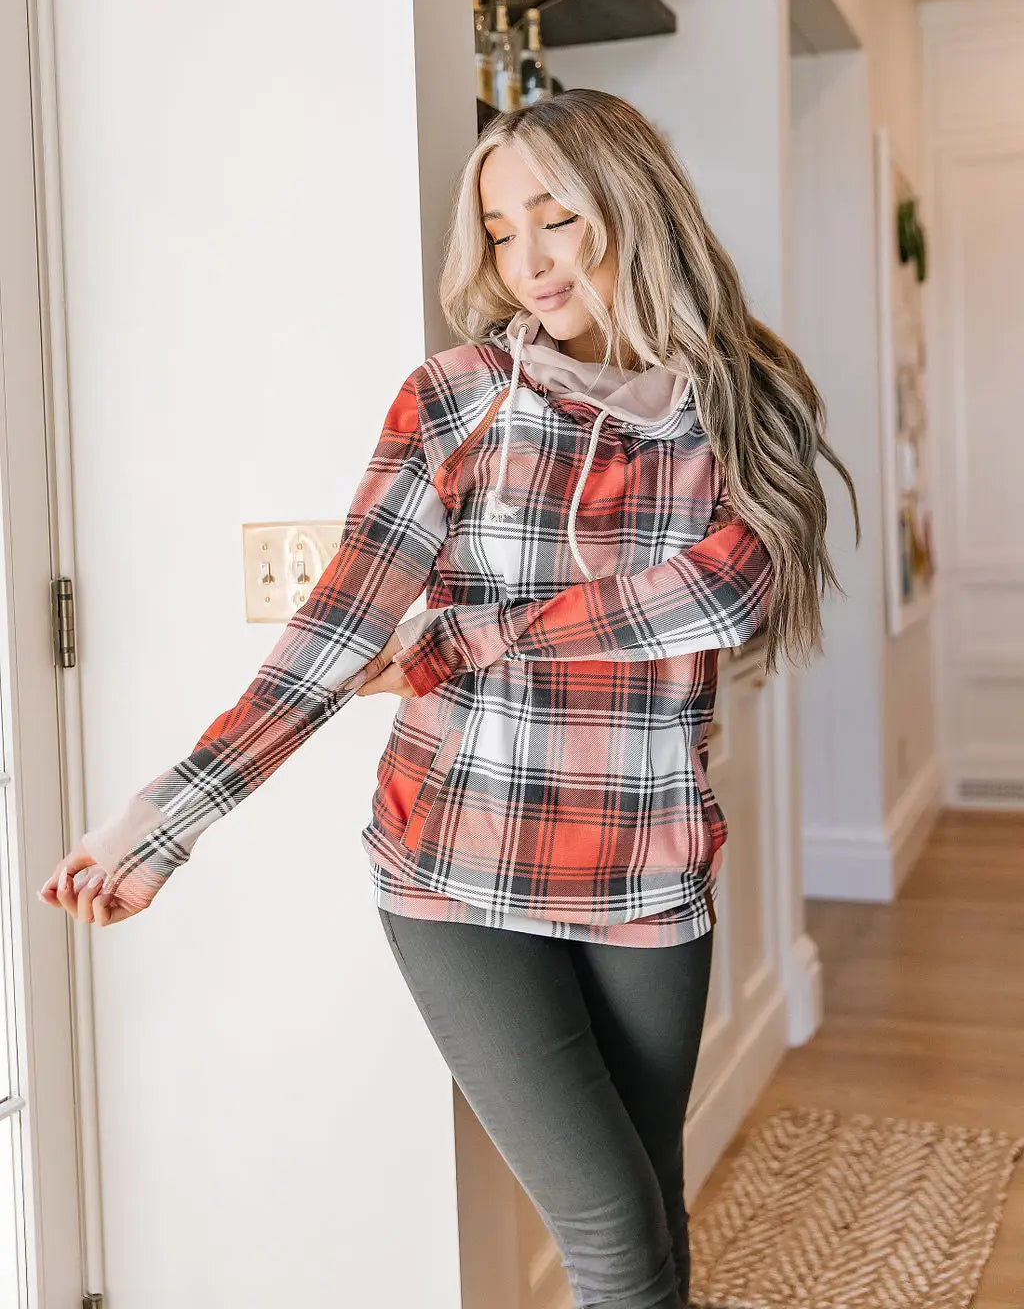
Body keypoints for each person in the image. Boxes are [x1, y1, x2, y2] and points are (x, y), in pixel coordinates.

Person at [40, 88, 859, 1308]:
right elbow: (334, 635)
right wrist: (162, 823)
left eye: (555, 219)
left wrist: (472, 636)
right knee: (613, 1235)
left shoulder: (744, 399)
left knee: (647, 1212)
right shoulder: (457, 398)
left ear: (631, 206)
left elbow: (725, 594)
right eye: (498, 231)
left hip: (646, 862)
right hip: (455, 862)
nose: (525, 262)